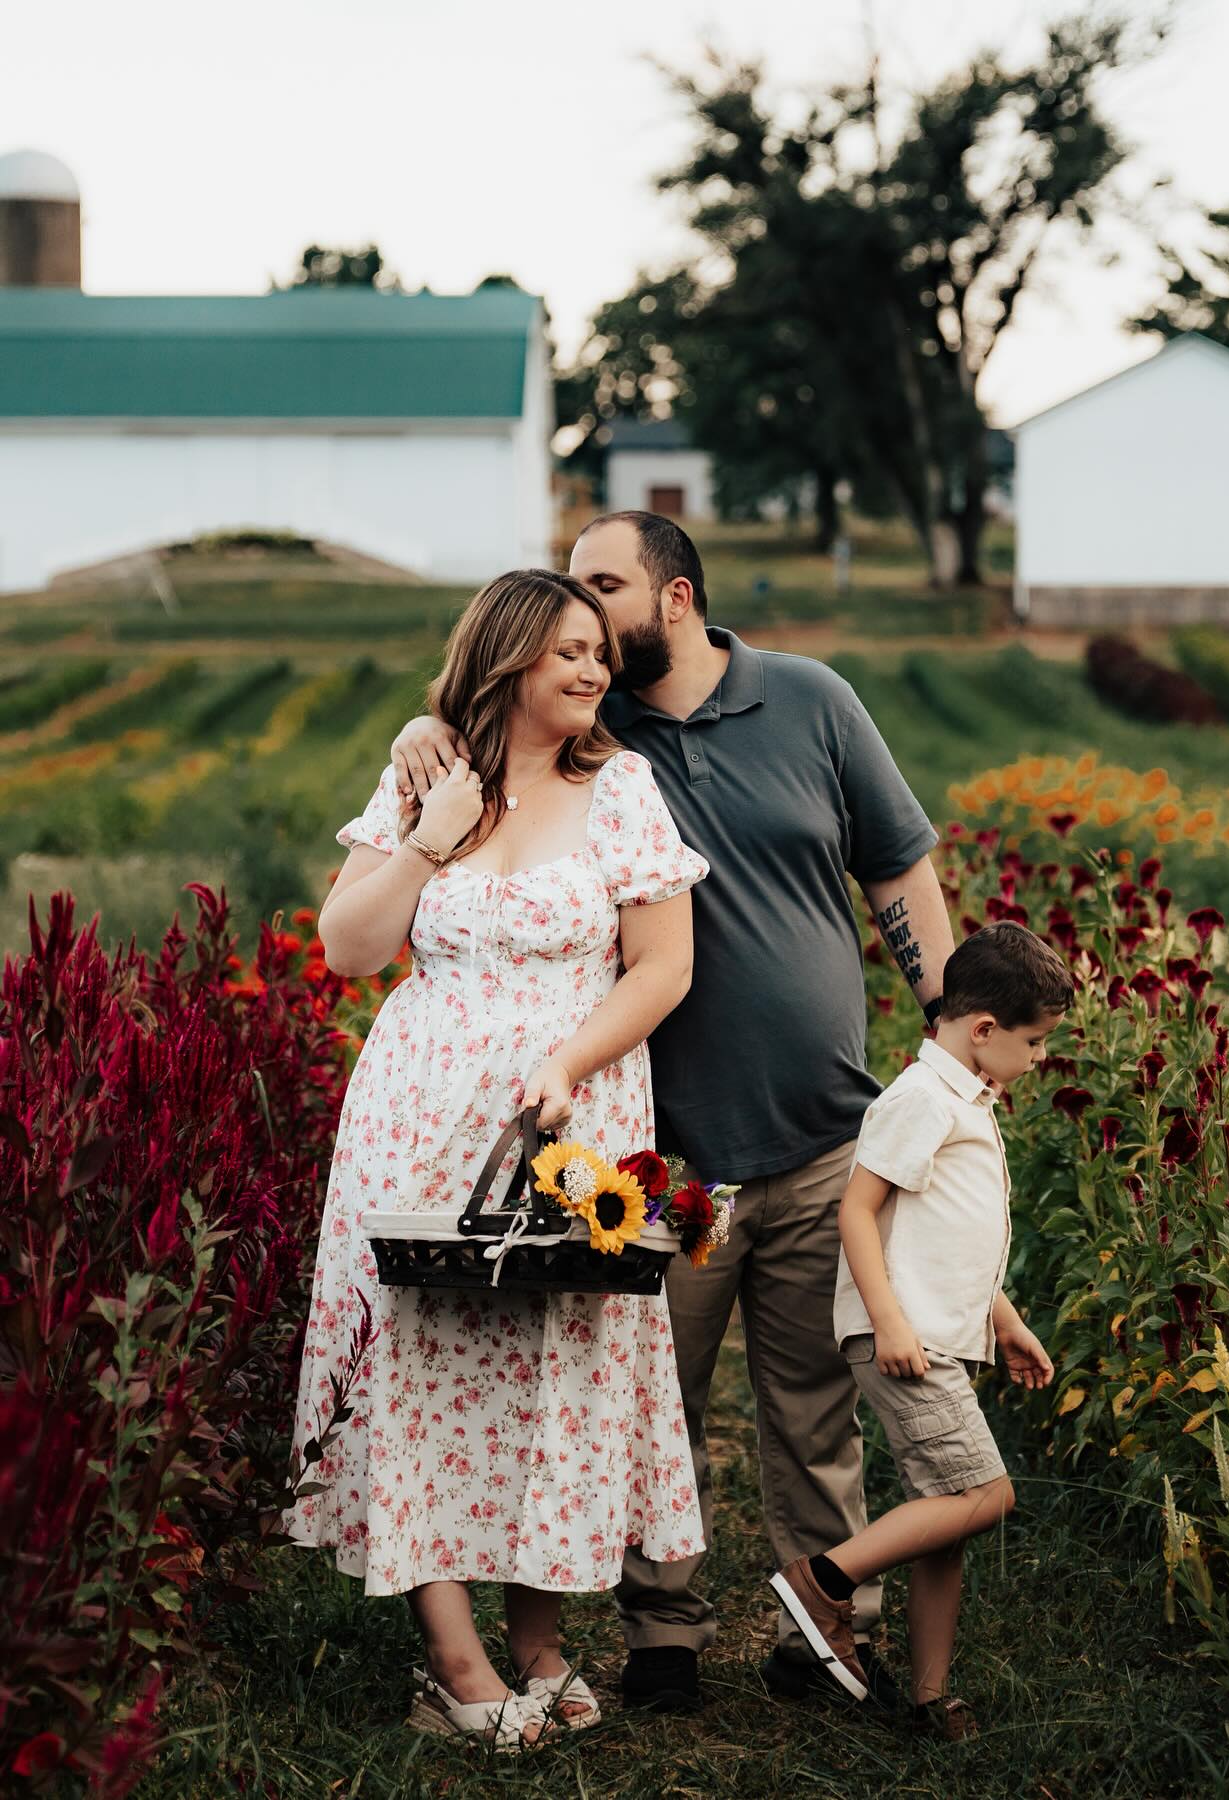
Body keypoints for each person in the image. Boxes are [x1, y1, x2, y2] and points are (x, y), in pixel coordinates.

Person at [390, 513, 956, 1711]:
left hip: (820, 1127)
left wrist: (948, 1048)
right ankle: (663, 1635)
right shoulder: (594, 734)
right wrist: (422, 728)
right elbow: (485, 726)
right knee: (657, 1387)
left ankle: (819, 1625)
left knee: (814, 1404)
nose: (578, 625)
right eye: (565, 617)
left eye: (602, 592)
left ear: (678, 597)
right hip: (662, 1148)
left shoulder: (811, 700)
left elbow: (898, 867)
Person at [285, 568, 709, 1751]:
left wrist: (570, 1063)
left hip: (567, 1116)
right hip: (417, 1115)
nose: (592, 670)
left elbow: (662, 968)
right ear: (507, 655)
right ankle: (457, 1660)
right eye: (568, 651)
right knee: (420, 1362)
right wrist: (422, 841)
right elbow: (347, 950)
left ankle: (541, 1642)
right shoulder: (425, 773)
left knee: (552, 1366)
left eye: (599, 653)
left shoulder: (621, 789)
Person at [769, 921, 1069, 1737]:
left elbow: (948, 1234)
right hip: (908, 1341)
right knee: (984, 1494)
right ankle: (820, 1582)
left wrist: (1002, 1322)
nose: (1039, 1059)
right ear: (983, 1031)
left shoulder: (961, 1097)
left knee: (948, 1513)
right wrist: (892, 1323)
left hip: (940, 1333)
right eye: (1035, 1041)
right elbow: (857, 1213)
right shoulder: (919, 1100)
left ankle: (931, 1696)